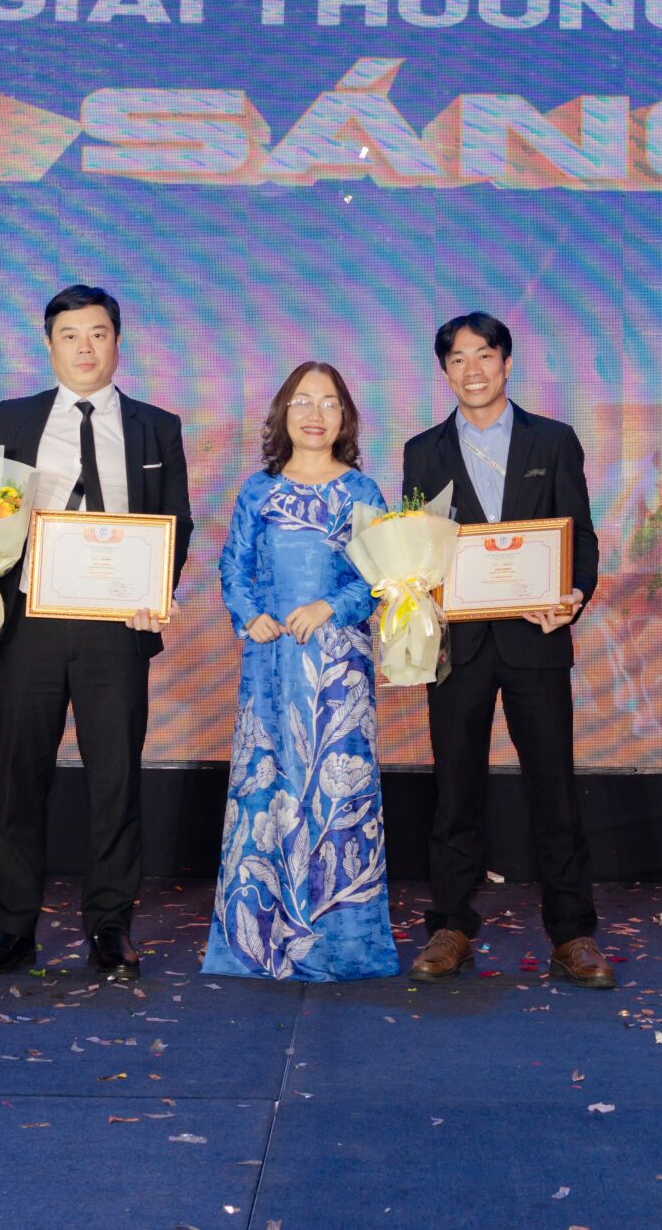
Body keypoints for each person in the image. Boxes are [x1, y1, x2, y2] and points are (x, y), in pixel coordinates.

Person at [0, 285, 193, 982]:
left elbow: (176, 521)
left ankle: (110, 927)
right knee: (20, 776)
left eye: (98, 333)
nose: (85, 347)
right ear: (49, 344)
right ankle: (11, 930)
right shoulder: (15, 417)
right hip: (32, 620)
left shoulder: (157, 426)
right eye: (70, 335)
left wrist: (154, 594)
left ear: (117, 341)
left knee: (116, 779)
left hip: (116, 627)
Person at [401, 311, 612, 990]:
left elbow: (580, 534)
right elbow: (415, 545)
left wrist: (573, 593)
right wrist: (413, 586)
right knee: (454, 789)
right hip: (456, 644)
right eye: (458, 359)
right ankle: (451, 928)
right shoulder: (422, 450)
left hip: (535, 639)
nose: (473, 369)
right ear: (445, 372)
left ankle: (573, 933)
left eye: (484, 355)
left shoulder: (553, 439)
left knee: (554, 788)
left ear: (507, 362)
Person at [201, 361, 397, 981]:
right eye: (303, 401)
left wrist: (330, 607)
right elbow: (233, 566)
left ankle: (340, 942)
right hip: (270, 660)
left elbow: (380, 576)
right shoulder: (257, 490)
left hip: (338, 666)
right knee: (269, 786)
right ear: (283, 413)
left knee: (337, 793)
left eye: (330, 402)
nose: (316, 414)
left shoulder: (363, 492)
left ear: (346, 417)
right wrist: (249, 615)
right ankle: (258, 939)